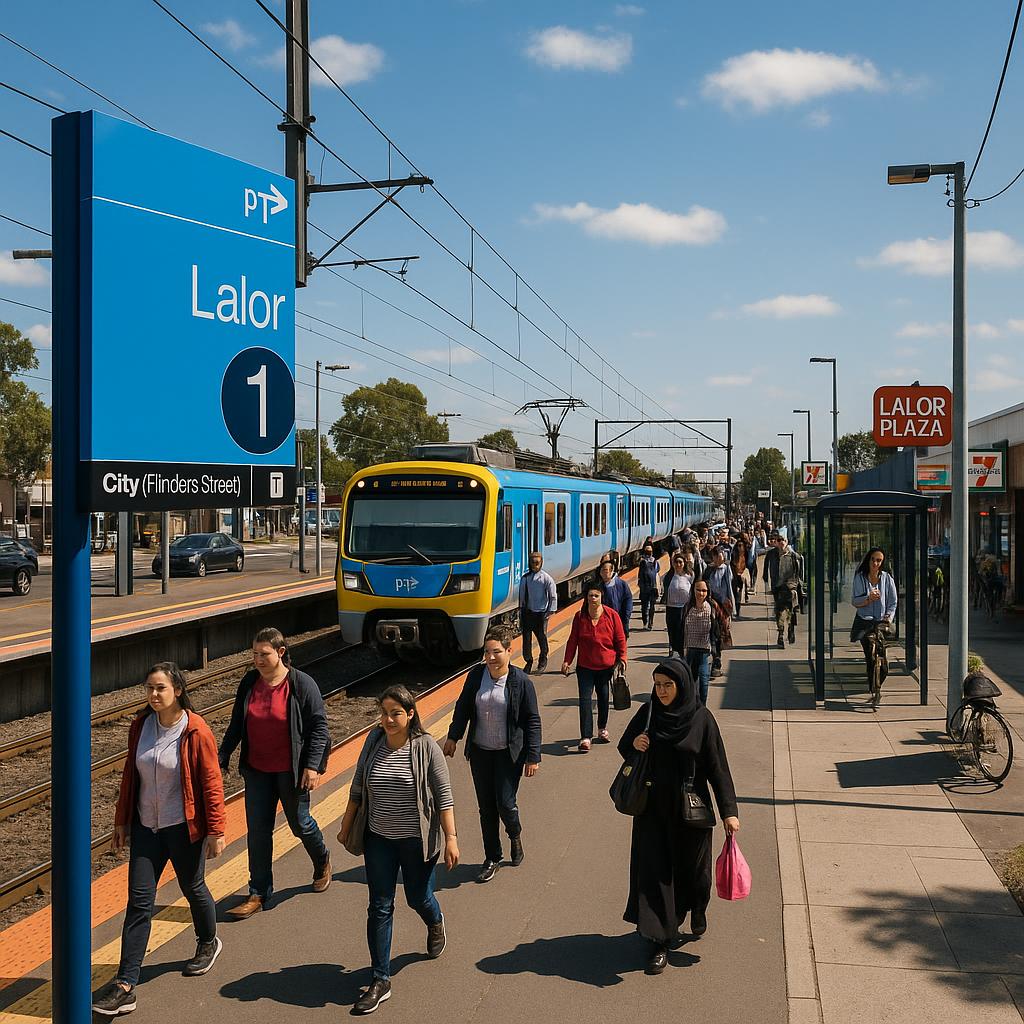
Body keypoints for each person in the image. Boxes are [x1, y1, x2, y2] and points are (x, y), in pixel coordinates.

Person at [93, 664, 226, 1017]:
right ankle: (125, 983)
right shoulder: (141, 726)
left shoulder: (195, 730)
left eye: (160, 689)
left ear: (177, 690)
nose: (153, 695)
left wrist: (216, 830)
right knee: (139, 902)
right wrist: (122, 820)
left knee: (193, 887)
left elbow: (212, 782)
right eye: (149, 688)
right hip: (146, 828)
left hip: (183, 827)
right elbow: (129, 776)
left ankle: (208, 941)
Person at [338, 685, 458, 1015]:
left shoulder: (426, 747)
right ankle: (380, 979)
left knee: (418, 897)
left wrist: (451, 838)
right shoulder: (373, 741)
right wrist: (347, 826)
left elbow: (444, 796)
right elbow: (359, 785)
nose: (389, 719)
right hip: (379, 839)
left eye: (396, 713)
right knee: (379, 905)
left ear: (410, 714)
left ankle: (435, 921)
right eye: (385, 712)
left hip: (417, 841)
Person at [618, 659, 739, 975]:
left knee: (695, 875)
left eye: (667, 685)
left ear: (682, 685)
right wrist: (635, 743)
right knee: (656, 875)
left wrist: (729, 812)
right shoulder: (648, 714)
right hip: (653, 812)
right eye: (657, 685)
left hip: (691, 813)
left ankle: (698, 907)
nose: (661, 691)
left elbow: (718, 769)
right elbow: (624, 745)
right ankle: (660, 941)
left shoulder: (701, 719)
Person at [219, 627, 331, 918]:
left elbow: (319, 727)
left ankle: (322, 860)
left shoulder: (301, 684)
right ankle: (259, 892)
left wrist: (312, 765)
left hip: (291, 772)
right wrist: (223, 753)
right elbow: (236, 723)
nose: (258, 659)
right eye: (255, 654)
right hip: (257, 770)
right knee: (257, 832)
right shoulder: (249, 682)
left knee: (301, 825)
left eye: (264, 654)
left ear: (281, 652)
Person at [444, 629, 541, 883]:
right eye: (487, 652)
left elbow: (532, 720)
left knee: (505, 803)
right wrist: (453, 736)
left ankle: (515, 834)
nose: (491, 657)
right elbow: (463, 706)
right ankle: (492, 858)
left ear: (510, 651)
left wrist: (533, 756)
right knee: (486, 808)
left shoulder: (521, 681)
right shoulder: (476, 676)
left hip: (508, 755)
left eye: (496, 651)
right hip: (480, 753)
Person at [562, 579, 627, 752]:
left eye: (596, 595)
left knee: (604, 697)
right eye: (590, 595)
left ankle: (602, 728)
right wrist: (567, 660)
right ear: (586, 597)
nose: (593, 598)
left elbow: (620, 639)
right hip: (585, 667)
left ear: (601, 596)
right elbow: (572, 640)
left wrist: (623, 658)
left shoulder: (612, 615)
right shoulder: (580, 617)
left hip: (606, 667)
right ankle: (585, 737)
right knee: (585, 701)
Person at [851, 548, 898, 691]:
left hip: (881, 622)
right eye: (873, 559)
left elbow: (893, 601)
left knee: (882, 661)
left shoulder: (886, 578)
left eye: (879, 560)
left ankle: (879, 677)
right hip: (864, 622)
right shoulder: (860, 577)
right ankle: (873, 687)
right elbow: (855, 601)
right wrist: (868, 599)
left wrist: (888, 617)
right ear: (868, 560)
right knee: (870, 654)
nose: (875, 563)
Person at [680, 580, 720, 705]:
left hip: (704, 651)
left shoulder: (711, 607)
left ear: (707, 592)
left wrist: (716, 653)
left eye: (704, 590)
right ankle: (691, 708)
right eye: (698, 590)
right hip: (689, 650)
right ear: (693, 590)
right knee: (690, 684)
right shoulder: (687, 607)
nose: (701, 593)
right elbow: (680, 629)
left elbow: (717, 631)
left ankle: (702, 709)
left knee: (703, 683)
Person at [518, 550, 558, 674]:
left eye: (537, 562)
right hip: (528, 612)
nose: (535, 565)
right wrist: (521, 610)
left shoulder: (546, 579)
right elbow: (521, 596)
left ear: (541, 563)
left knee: (542, 637)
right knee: (526, 639)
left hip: (541, 614)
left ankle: (543, 659)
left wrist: (550, 610)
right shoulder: (525, 578)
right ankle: (528, 660)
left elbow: (553, 596)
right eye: (533, 562)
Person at [763, 532, 803, 649]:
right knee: (779, 612)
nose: (781, 542)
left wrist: (798, 585)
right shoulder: (771, 554)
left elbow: (800, 572)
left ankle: (790, 631)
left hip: (791, 588)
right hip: (778, 588)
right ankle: (780, 634)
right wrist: (768, 582)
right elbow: (765, 570)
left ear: (787, 542)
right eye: (779, 540)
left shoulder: (794, 556)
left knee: (791, 612)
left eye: (783, 540)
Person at [703, 547, 734, 676]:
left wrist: (730, 605)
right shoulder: (708, 569)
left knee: (721, 633)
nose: (719, 557)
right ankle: (715, 661)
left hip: (724, 606)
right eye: (716, 556)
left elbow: (730, 585)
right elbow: (703, 584)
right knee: (712, 633)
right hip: (711, 605)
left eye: (721, 555)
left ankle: (717, 660)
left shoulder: (726, 569)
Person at [661, 552, 694, 657]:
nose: (678, 564)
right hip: (671, 608)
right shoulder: (669, 576)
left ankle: (681, 652)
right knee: (672, 631)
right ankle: (674, 650)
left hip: (684, 608)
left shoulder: (690, 575)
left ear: (684, 563)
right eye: (676, 562)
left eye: (680, 562)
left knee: (683, 631)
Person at [599, 557, 634, 637]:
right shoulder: (599, 586)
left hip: (620, 620)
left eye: (605, 570)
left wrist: (626, 617)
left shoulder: (621, 584)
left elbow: (628, 600)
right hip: (604, 622)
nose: (602, 573)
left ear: (611, 571)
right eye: (602, 570)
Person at [638, 542, 661, 631]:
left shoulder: (649, 562)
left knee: (648, 606)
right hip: (649, 587)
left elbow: (640, 575)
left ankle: (648, 622)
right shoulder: (650, 562)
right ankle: (648, 622)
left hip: (649, 587)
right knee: (648, 606)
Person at [729, 538, 748, 618]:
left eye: (741, 546)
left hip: (742, 577)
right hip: (734, 577)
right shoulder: (734, 555)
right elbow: (732, 565)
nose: (739, 547)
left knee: (739, 594)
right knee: (735, 593)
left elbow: (747, 566)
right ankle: (736, 610)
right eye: (738, 546)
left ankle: (738, 610)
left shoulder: (746, 555)